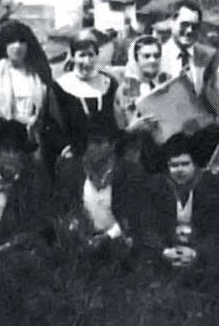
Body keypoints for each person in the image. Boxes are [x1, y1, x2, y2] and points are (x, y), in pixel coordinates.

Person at [0, 20, 72, 177]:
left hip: (32, 145)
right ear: (4, 45)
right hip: (1, 144)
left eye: (22, 41)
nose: (17, 46)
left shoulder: (37, 77)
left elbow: (47, 116)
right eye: (11, 42)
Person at [53, 109, 152, 258]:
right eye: (89, 142)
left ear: (112, 145)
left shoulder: (131, 173)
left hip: (122, 249)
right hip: (80, 247)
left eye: (98, 142)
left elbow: (136, 218)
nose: (91, 148)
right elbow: (62, 209)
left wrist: (109, 236)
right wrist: (75, 228)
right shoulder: (71, 171)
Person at [136, 134, 219, 274]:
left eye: (185, 164)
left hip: (203, 260)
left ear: (195, 165)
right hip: (165, 257)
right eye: (174, 165)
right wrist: (164, 251)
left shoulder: (212, 187)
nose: (179, 170)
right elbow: (147, 227)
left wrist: (196, 253)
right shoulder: (156, 187)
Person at [0, 118, 53, 247]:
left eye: (16, 150)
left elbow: (41, 220)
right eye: (6, 149)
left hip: (26, 245)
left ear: (24, 154)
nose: (11, 155)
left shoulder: (35, 179)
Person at [115, 35, 169, 172]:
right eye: (146, 56)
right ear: (136, 59)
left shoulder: (165, 82)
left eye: (156, 56)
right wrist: (134, 127)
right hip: (136, 156)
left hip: (164, 154)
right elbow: (119, 132)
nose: (153, 60)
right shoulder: (128, 87)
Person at [57, 28, 119, 126]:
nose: (87, 61)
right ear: (73, 57)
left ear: (97, 56)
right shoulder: (60, 87)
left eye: (90, 55)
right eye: (82, 55)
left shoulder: (109, 84)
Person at [160, 1, 214, 87]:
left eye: (195, 26)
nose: (189, 30)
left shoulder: (209, 57)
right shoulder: (157, 56)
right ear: (171, 23)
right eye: (184, 24)